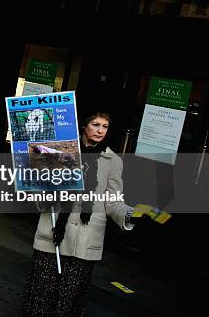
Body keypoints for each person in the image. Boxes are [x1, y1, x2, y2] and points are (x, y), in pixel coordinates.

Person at [22, 112, 146, 317]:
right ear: (83, 126)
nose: (100, 131)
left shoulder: (113, 160)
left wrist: (131, 214)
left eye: (105, 126)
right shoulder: (59, 151)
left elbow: (113, 200)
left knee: (68, 303)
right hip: (53, 235)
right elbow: (41, 191)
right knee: (41, 299)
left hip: (84, 240)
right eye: (95, 124)